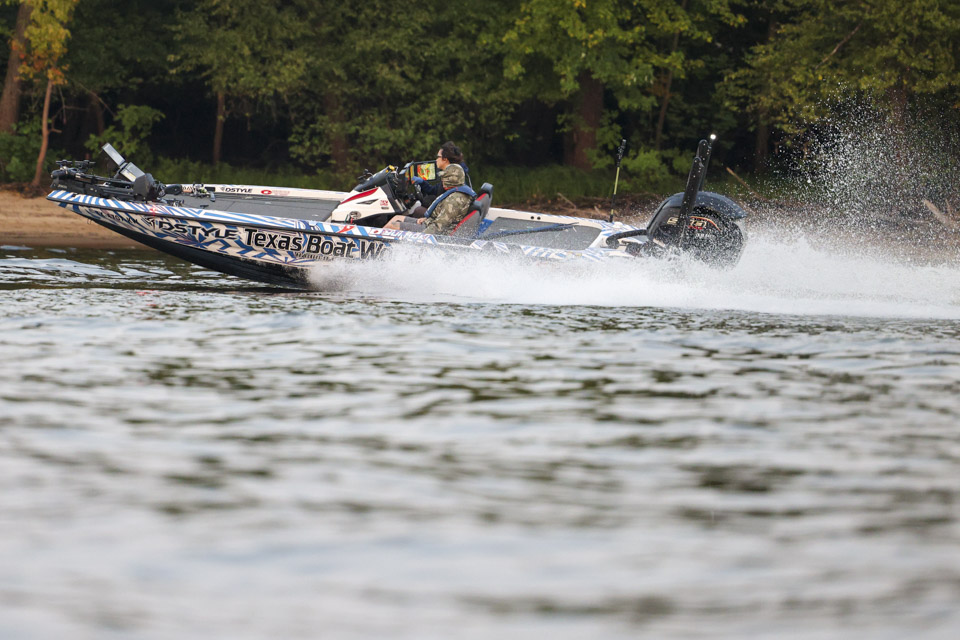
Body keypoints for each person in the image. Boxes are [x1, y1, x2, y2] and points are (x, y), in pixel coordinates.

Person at [385, 162, 475, 234]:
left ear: (452, 179)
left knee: (392, 226)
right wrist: (427, 219)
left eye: (444, 177)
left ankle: (379, 249)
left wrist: (419, 237)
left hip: (431, 231)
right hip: (430, 223)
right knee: (397, 218)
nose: (442, 180)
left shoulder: (454, 200)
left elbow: (439, 227)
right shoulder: (457, 192)